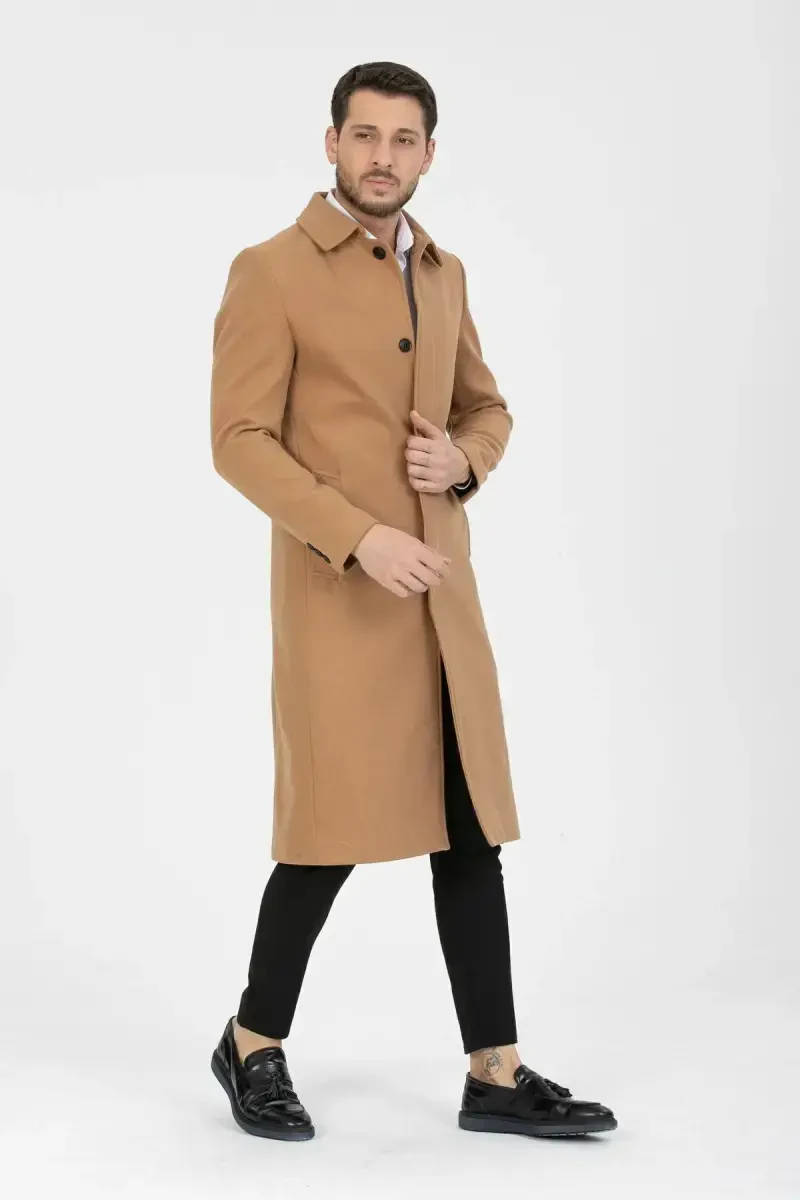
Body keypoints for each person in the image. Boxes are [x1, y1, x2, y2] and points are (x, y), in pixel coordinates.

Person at [208, 60, 617, 1143]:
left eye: (403, 139)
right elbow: (238, 441)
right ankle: (251, 1043)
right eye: (364, 135)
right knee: (325, 833)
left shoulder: (443, 273)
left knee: (469, 831)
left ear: (429, 152)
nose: (382, 157)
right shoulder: (270, 271)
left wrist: (464, 461)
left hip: (442, 604)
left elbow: (487, 408)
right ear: (331, 144)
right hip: (339, 605)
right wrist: (357, 534)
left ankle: (495, 1071)